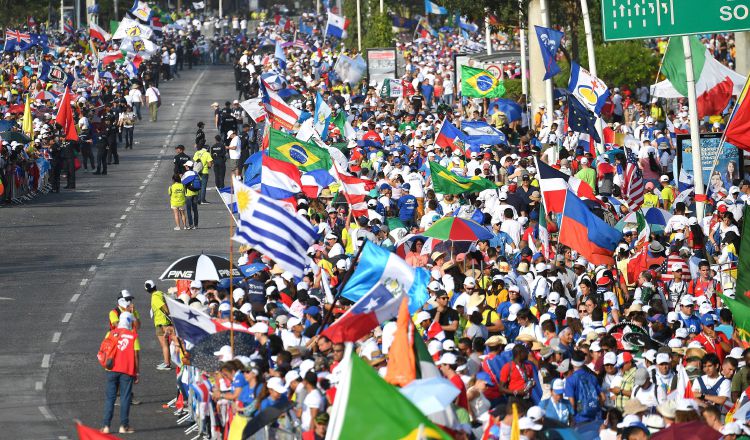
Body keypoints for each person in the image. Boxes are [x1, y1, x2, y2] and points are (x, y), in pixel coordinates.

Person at [100, 311, 139, 434]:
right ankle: (124, 426)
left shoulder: (110, 333)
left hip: (111, 369)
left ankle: (105, 426)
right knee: (125, 398)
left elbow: (103, 349)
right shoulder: (133, 336)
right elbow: (136, 355)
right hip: (127, 370)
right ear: (129, 322)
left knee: (110, 398)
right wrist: (137, 372)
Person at [145, 280, 172, 371]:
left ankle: (167, 363)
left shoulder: (155, 296)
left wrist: (168, 313)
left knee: (164, 344)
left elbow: (163, 306)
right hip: (164, 321)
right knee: (167, 344)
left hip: (161, 322)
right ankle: (166, 362)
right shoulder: (160, 293)